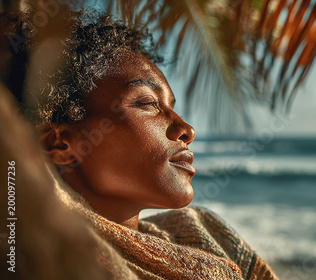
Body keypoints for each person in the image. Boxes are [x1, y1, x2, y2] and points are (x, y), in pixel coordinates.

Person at [1, 9, 278, 280]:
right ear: (60, 144)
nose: (187, 130)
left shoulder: (209, 235)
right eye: (148, 103)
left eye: (171, 107)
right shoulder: (34, 262)